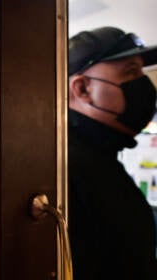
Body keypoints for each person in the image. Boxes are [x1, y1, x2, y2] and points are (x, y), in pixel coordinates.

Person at [68, 26, 157, 280]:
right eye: (130, 72)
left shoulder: (101, 155)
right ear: (83, 89)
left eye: (142, 71)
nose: (143, 83)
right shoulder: (63, 168)